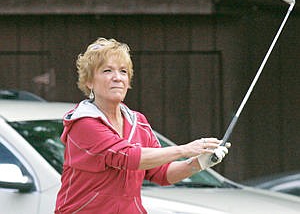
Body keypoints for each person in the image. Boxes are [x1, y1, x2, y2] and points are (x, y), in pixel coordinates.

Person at [54, 37, 230, 214]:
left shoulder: (138, 122)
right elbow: (127, 157)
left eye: (123, 72)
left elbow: (161, 173)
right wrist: (185, 150)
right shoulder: (84, 123)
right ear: (89, 82)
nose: (117, 78)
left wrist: (198, 163)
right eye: (107, 71)